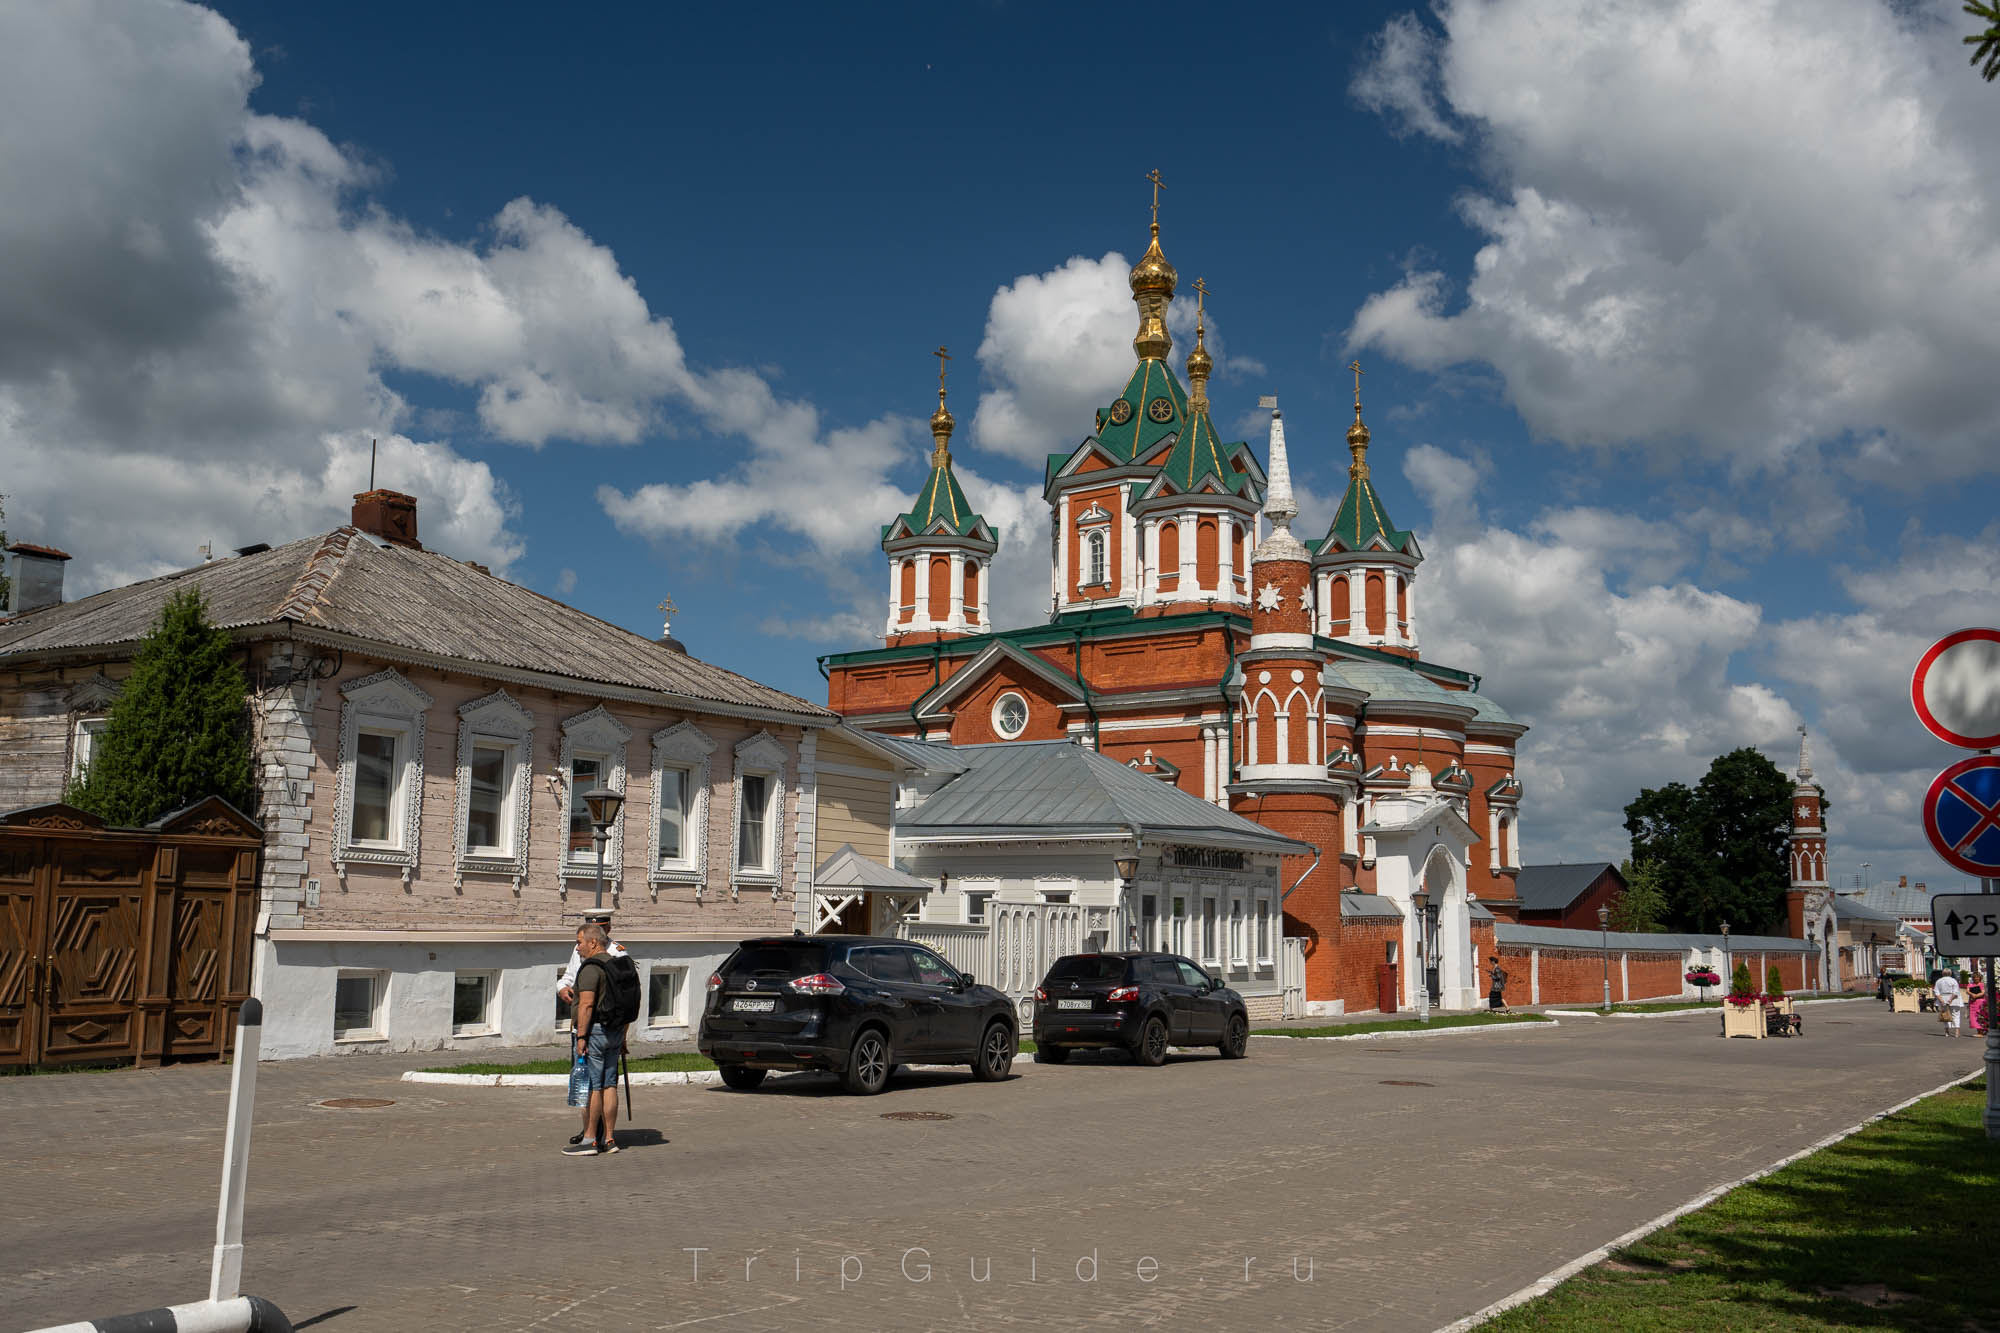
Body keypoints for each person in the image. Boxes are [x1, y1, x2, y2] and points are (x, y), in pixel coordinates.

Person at [556, 912, 628, 1148]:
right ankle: (607, 1137)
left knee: (592, 1085)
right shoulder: (614, 961)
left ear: (594, 939)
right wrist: (563, 988)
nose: (577, 948)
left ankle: (591, 1138)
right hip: (614, 1031)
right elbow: (627, 1002)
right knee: (609, 1084)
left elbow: (587, 1004)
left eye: (579, 942)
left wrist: (582, 1037)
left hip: (594, 1031)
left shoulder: (610, 956)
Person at [1934, 969, 1963, 1037]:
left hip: (1943, 997)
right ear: (1950, 973)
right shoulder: (1953, 980)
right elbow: (1955, 992)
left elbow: (1936, 992)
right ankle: (1957, 1032)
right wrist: (1950, 1000)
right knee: (1956, 1015)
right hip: (1954, 999)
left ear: (1942, 974)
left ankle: (1947, 1032)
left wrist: (1941, 1000)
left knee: (1945, 1015)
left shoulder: (1939, 981)